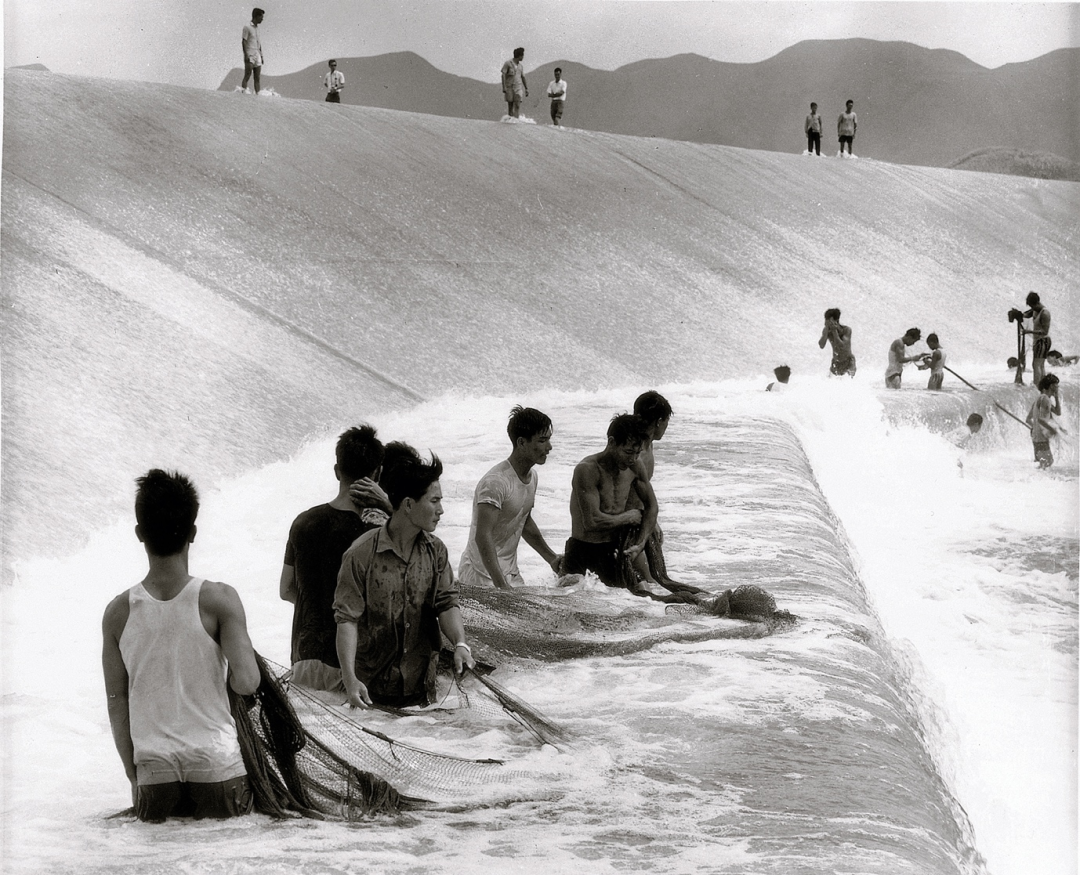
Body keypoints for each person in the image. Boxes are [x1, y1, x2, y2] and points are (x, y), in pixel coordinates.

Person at [102, 470, 260, 822]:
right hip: (217, 767)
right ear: (193, 532)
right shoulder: (219, 599)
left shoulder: (117, 613)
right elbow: (248, 682)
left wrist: (133, 774)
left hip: (154, 773)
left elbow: (116, 700)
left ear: (139, 533)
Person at [334, 448, 475, 708]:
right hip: (370, 694)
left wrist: (460, 644)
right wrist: (350, 678)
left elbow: (447, 603)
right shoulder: (360, 554)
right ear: (409, 505)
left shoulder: (436, 551)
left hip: (422, 691)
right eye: (434, 501)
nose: (441, 510)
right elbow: (347, 620)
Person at [279, 426, 387, 691]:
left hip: (303, 658)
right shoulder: (374, 533)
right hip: (350, 668)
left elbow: (286, 590)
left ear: (337, 471)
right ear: (377, 475)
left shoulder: (302, 522)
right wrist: (388, 505)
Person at [458, 406, 562, 589]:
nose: (549, 447)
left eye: (548, 439)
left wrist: (551, 558)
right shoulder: (495, 482)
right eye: (542, 441)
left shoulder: (532, 477)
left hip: (509, 573)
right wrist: (501, 585)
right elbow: (482, 535)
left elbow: (523, 520)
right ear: (521, 442)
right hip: (482, 574)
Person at [563, 413, 665, 596]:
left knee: (643, 601)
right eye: (628, 452)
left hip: (613, 550)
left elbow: (652, 507)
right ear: (611, 442)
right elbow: (592, 521)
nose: (633, 459)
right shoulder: (587, 469)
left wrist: (640, 543)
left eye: (637, 453)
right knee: (577, 603)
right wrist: (628, 517)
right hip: (583, 552)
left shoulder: (635, 466)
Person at [1026, 374, 1061, 468]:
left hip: (1037, 437)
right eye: (1056, 385)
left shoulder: (1041, 399)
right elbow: (1041, 420)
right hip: (1040, 437)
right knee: (1047, 462)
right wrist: (1053, 430)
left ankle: (1031, 476)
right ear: (1051, 386)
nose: (1058, 387)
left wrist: (1056, 397)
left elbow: (1058, 412)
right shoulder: (1045, 399)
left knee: (1045, 463)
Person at [1022, 292, 1052, 385]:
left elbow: (1044, 331)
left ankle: (1037, 385)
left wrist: (1029, 331)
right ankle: (1042, 384)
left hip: (1043, 340)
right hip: (1038, 341)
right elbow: (1026, 315)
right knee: (1040, 365)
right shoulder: (1035, 310)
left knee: (1036, 365)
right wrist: (1017, 314)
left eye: (1033, 306)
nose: (1032, 308)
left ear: (1038, 302)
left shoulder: (1045, 313)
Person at [818, 308, 856, 376]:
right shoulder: (827, 331)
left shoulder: (846, 330)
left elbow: (842, 346)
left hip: (848, 362)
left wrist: (834, 331)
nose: (826, 323)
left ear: (836, 321)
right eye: (826, 320)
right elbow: (821, 345)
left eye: (830, 321)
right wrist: (826, 332)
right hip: (836, 362)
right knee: (829, 381)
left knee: (851, 381)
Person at [241, 9, 265, 95]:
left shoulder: (257, 29)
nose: (262, 19)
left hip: (257, 54)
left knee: (257, 77)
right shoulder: (247, 27)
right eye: (261, 17)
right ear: (256, 16)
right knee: (247, 75)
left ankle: (257, 95)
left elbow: (259, 43)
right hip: (250, 54)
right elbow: (244, 41)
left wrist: (261, 56)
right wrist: (246, 55)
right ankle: (243, 93)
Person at [501, 47, 528, 118]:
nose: (523, 57)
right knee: (510, 105)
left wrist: (526, 88)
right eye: (522, 55)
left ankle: (516, 120)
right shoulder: (508, 63)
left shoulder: (520, 66)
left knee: (517, 105)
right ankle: (511, 121)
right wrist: (504, 87)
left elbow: (523, 77)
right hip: (509, 87)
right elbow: (503, 74)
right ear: (519, 56)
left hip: (518, 88)